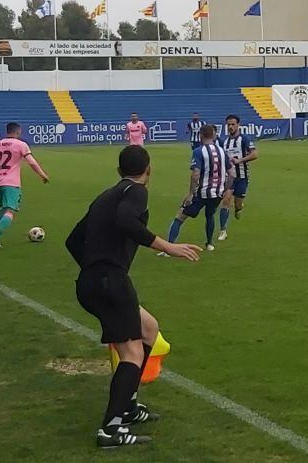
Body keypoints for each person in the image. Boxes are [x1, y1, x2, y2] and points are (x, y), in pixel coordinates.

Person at [65, 145, 201, 449]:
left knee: (149, 328)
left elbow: (73, 240)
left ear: (119, 171)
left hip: (94, 282)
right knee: (132, 354)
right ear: (149, 170)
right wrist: (168, 247)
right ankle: (110, 430)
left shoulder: (107, 195)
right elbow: (126, 221)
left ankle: (128, 407)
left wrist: (93, 270)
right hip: (109, 282)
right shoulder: (136, 191)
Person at [0, 122, 49, 248]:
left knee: (5, 208)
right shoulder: (21, 144)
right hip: (11, 183)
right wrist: (42, 174)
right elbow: (31, 162)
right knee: (11, 211)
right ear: (18, 131)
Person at [165, 124, 232, 252]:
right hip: (217, 193)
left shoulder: (198, 151)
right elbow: (232, 173)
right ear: (214, 135)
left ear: (200, 135)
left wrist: (191, 193)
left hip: (201, 193)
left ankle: (169, 248)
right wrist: (225, 189)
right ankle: (209, 244)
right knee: (210, 215)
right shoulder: (222, 151)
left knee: (180, 216)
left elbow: (196, 174)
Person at [217, 114, 258, 241]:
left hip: (242, 177)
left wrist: (239, 160)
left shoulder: (244, 139)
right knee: (226, 200)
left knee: (238, 203)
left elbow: (255, 154)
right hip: (229, 178)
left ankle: (238, 208)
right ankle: (223, 230)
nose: (230, 127)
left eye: (233, 124)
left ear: (238, 125)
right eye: (228, 125)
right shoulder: (224, 142)